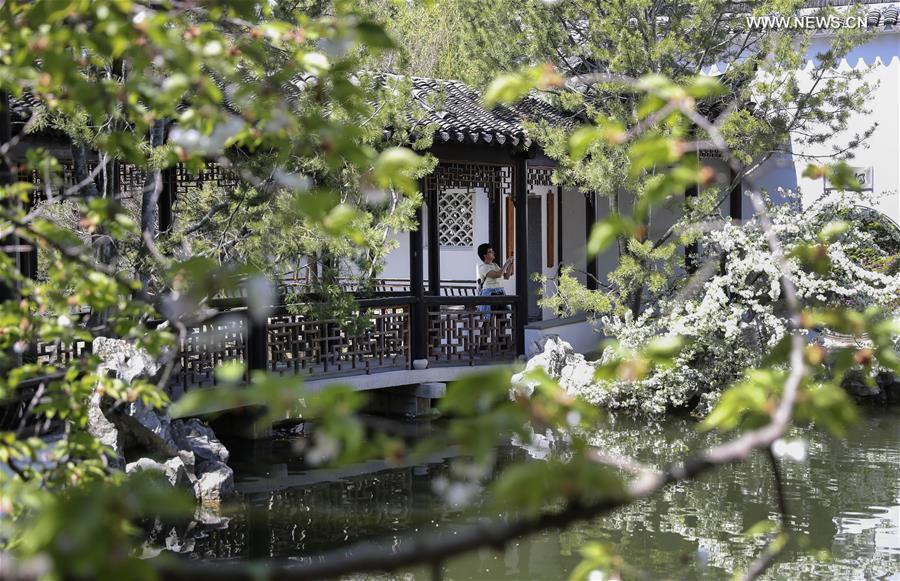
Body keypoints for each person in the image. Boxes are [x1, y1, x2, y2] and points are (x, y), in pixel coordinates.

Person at [476, 243, 513, 316]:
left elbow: (506, 277)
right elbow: (498, 275)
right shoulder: (483, 267)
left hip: (500, 293)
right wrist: (507, 263)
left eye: (492, 251)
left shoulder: (495, 265)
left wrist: (510, 265)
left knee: (503, 317)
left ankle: (500, 327)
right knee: (489, 319)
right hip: (490, 294)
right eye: (490, 251)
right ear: (485, 255)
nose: (493, 253)